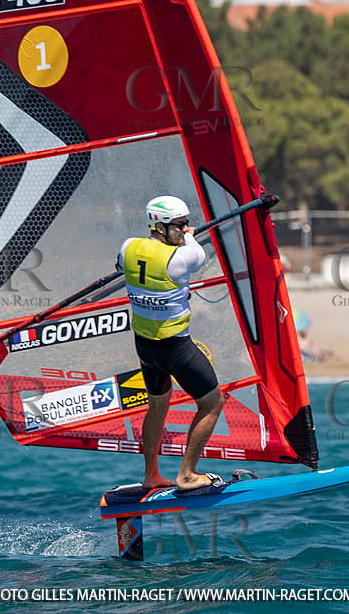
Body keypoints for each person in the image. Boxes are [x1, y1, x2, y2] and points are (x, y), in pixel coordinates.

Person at [121, 195, 217, 491]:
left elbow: (123, 266)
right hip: (175, 348)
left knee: (157, 406)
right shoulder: (181, 259)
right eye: (179, 224)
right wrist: (191, 236)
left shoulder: (128, 247)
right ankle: (187, 475)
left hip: (145, 347)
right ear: (159, 227)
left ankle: (151, 474)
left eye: (186, 223)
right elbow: (198, 256)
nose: (185, 228)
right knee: (212, 403)